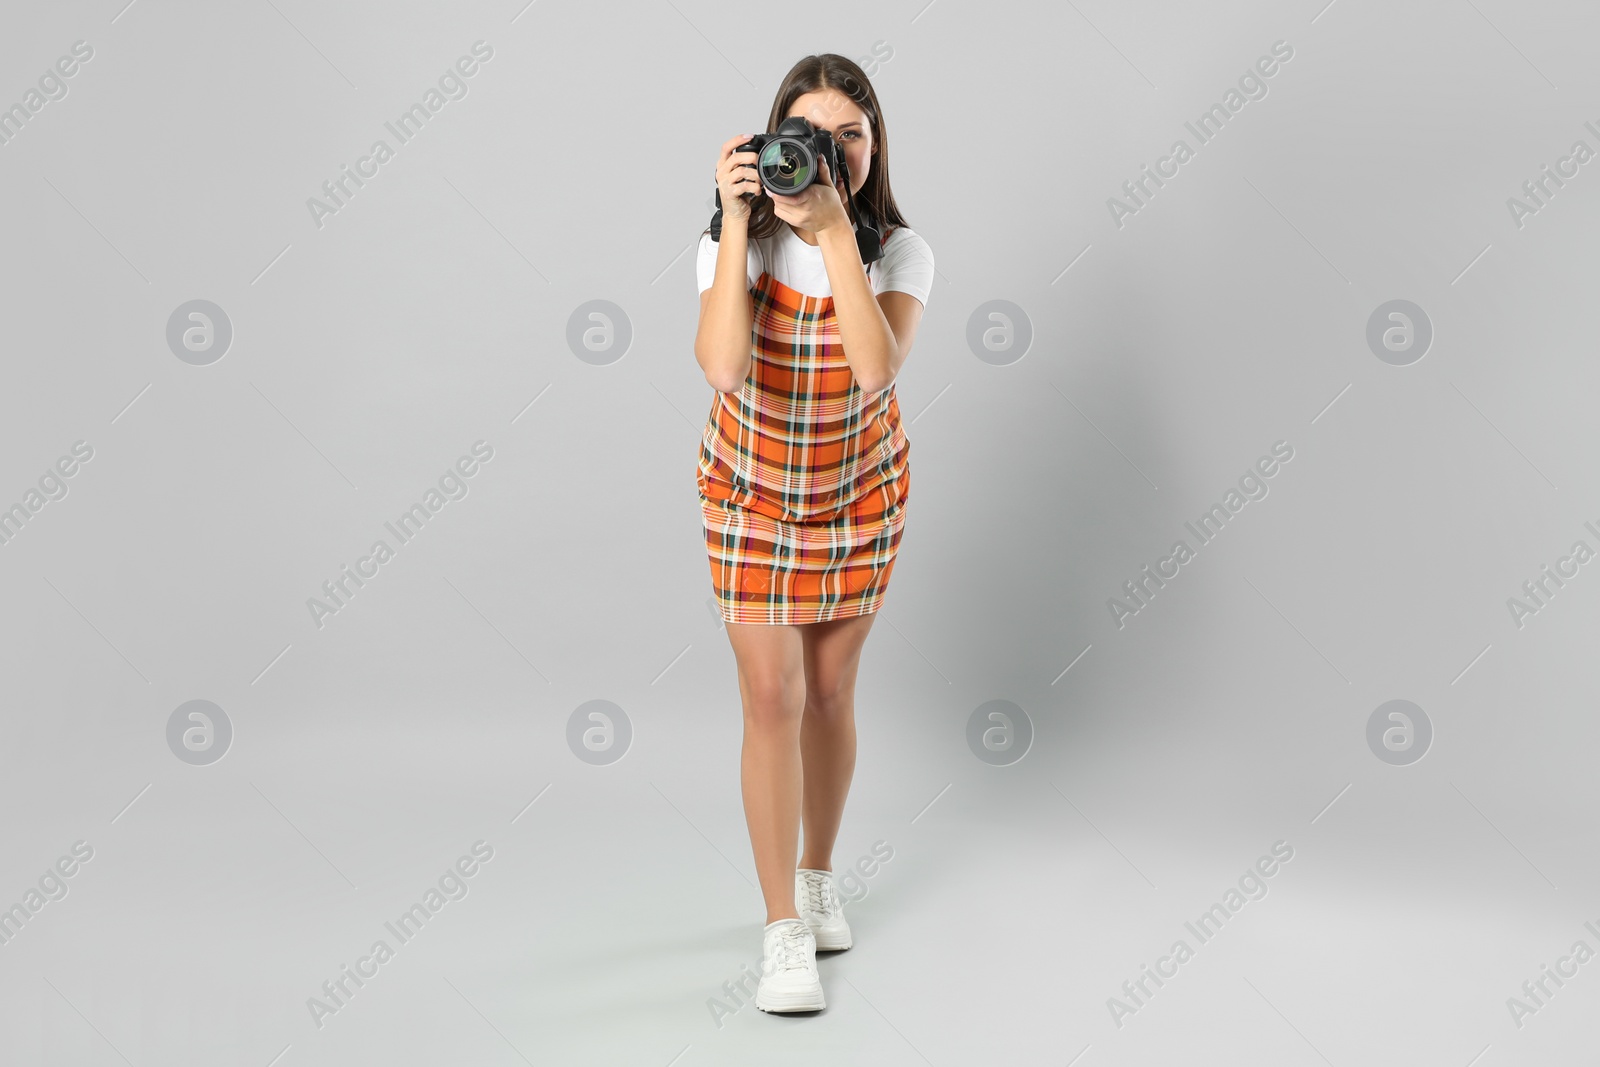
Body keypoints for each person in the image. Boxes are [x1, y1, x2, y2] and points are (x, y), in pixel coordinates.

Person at [692, 53, 934, 1013]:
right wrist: (741, 219)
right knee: (772, 694)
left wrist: (836, 235)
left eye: (851, 138)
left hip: (858, 494)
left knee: (832, 690)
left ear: (875, 150)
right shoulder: (731, 243)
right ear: (768, 144)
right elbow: (720, 367)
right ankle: (780, 928)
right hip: (750, 492)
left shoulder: (901, 253)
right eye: (808, 137)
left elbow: (877, 369)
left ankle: (820, 876)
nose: (828, 155)